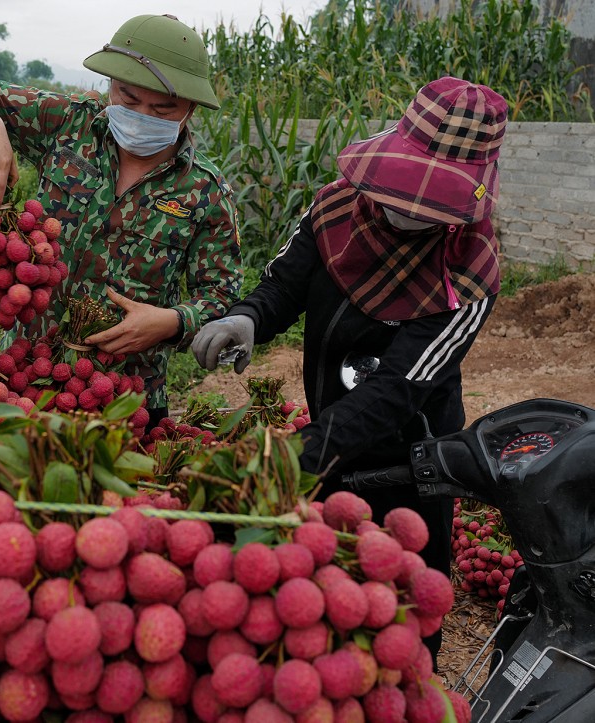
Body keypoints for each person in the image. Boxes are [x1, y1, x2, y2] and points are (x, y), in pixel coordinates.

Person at [191, 77, 507, 661]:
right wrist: (248, 320)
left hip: (410, 465)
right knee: (323, 604)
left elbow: (396, 393)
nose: (407, 209)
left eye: (427, 202)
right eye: (402, 189)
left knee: (401, 621)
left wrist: (296, 458)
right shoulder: (336, 206)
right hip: (329, 438)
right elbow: (284, 284)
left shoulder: (470, 273)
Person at [0, 13, 242, 425]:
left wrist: (172, 322)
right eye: (129, 99)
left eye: (163, 109)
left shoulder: (205, 192)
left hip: (125, 397)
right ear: (110, 85)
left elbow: (223, 297)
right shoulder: (67, 125)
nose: (143, 115)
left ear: (190, 109)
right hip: (21, 370)